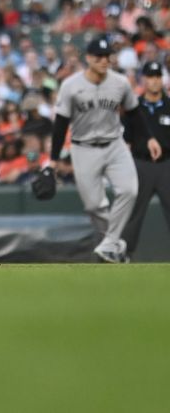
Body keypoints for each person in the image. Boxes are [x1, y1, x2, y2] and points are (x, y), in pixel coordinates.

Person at [48, 35, 161, 263]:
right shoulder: (71, 86)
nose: (103, 60)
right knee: (93, 206)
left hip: (114, 144)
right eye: (98, 56)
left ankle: (108, 244)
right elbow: (60, 123)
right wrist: (53, 159)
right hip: (83, 147)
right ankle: (117, 244)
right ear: (88, 58)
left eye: (106, 56)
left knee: (129, 190)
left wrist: (149, 137)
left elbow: (134, 113)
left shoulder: (120, 82)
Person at [121, 61, 170, 257]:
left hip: (167, 164)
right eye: (150, 77)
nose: (154, 81)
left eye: (157, 77)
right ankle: (124, 252)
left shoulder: (169, 106)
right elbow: (126, 141)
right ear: (144, 79)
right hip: (140, 164)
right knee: (133, 212)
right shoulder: (134, 108)